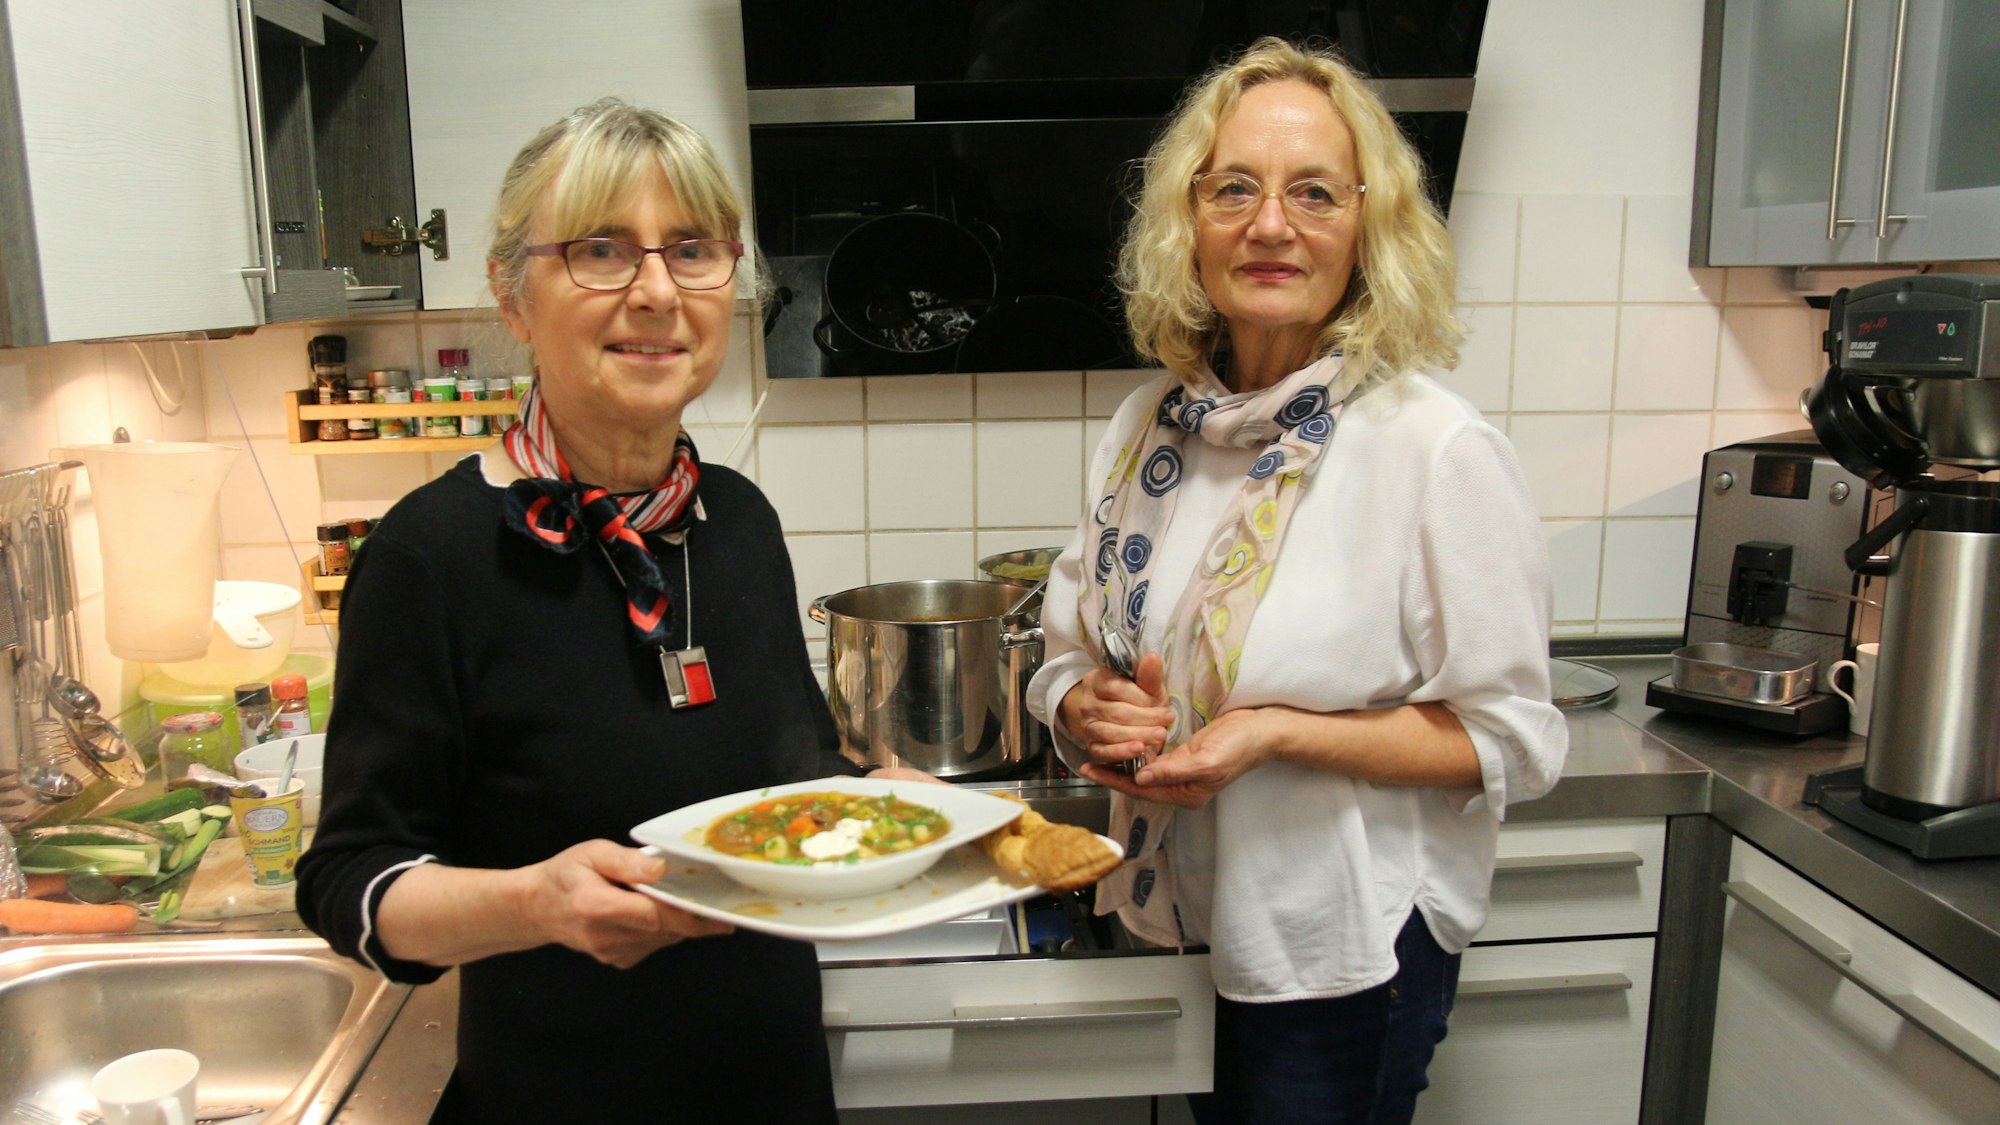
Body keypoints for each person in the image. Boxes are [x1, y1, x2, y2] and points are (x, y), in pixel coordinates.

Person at [298, 98, 924, 1122]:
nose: (654, 293)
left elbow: (782, 771)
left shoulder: (738, 521)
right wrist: (532, 904)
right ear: (513, 297)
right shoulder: (431, 553)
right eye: (598, 250)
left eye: (690, 251)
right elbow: (347, 885)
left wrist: (864, 799)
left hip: (769, 1090)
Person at [1026, 38, 1568, 1125]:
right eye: (1234, 188)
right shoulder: (1149, 427)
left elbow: (1513, 739)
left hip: (1338, 952)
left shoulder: (1432, 448)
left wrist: (1271, 733)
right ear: (1189, 221)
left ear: (1367, 230)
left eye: (1312, 192)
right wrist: (1078, 704)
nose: (1269, 225)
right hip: (1175, 912)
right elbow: (1065, 655)